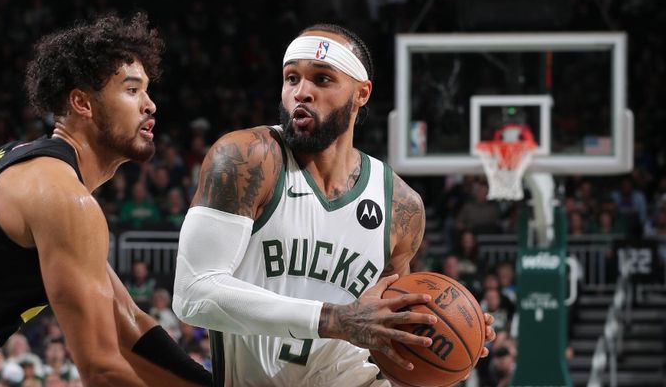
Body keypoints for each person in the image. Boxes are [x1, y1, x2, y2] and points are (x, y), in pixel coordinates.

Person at [0, 14, 211, 387]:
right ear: (82, 102)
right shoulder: (61, 196)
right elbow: (100, 368)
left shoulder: (43, 177)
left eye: (147, 90)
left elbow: (128, 322)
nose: (150, 105)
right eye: (132, 90)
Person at [173, 24, 495, 386]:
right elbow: (193, 293)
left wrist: (445, 333)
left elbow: (392, 342)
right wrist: (332, 320)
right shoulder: (248, 159)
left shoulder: (401, 205)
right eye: (291, 78)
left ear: (361, 93)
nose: (301, 92)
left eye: (322, 79)